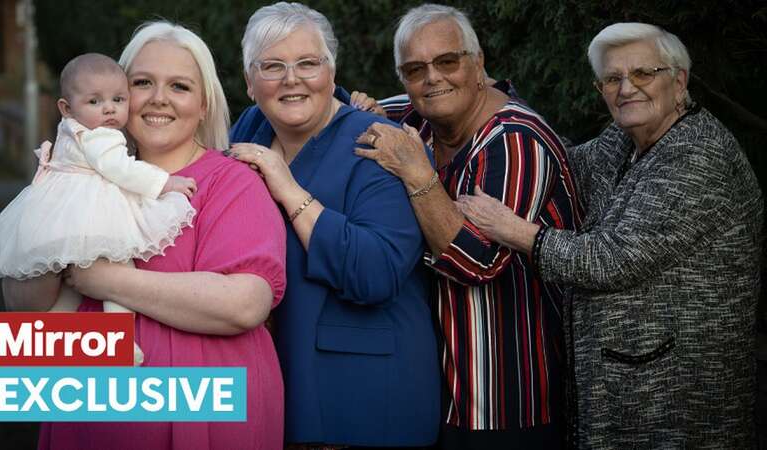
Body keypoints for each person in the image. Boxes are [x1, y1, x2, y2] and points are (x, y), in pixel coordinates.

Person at [455, 22, 762, 449]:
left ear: (679, 81)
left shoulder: (698, 154)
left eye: (643, 74)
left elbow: (614, 258)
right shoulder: (625, 138)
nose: (627, 88)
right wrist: (495, 99)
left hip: (675, 400)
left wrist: (515, 231)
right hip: (629, 385)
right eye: (613, 78)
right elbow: (566, 165)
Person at [2, 21, 287, 450]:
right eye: (142, 83)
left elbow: (245, 305)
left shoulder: (231, 183)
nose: (158, 98)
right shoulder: (73, 179)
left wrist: (101, 280)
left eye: (180, 87)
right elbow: (25, 313)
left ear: (204, 105)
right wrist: (51, 231)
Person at [355, 4, 582, 449]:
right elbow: (331, 113)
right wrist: (358, 107)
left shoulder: (516, 140)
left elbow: (475, 262)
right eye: (415, 69)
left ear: (478, 64)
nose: (432, 78)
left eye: (447, 61)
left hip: (507, 394)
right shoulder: (413, 119)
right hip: (432, 388)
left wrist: (417, 174)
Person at [228, 2, 440, 448]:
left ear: (331, 71)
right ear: (249, 82)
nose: (292, 79)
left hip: (363, 399)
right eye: (272, 66)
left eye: (308, 63)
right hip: (279, 389)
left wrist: (289, 191)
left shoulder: (378, 143)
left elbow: (377, 272)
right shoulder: (250, 130)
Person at [0, 53, 198, 365]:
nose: (108, 108)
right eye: (95, 102)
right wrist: (164, 183)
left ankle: (52, 333)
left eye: (118, 99)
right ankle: (120, 339)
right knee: (120, 270)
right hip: (89, 209)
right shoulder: (101, 136)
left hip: (60, 210)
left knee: (71, 285)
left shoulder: (71, 128)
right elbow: (119, 168)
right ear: (66, 107)